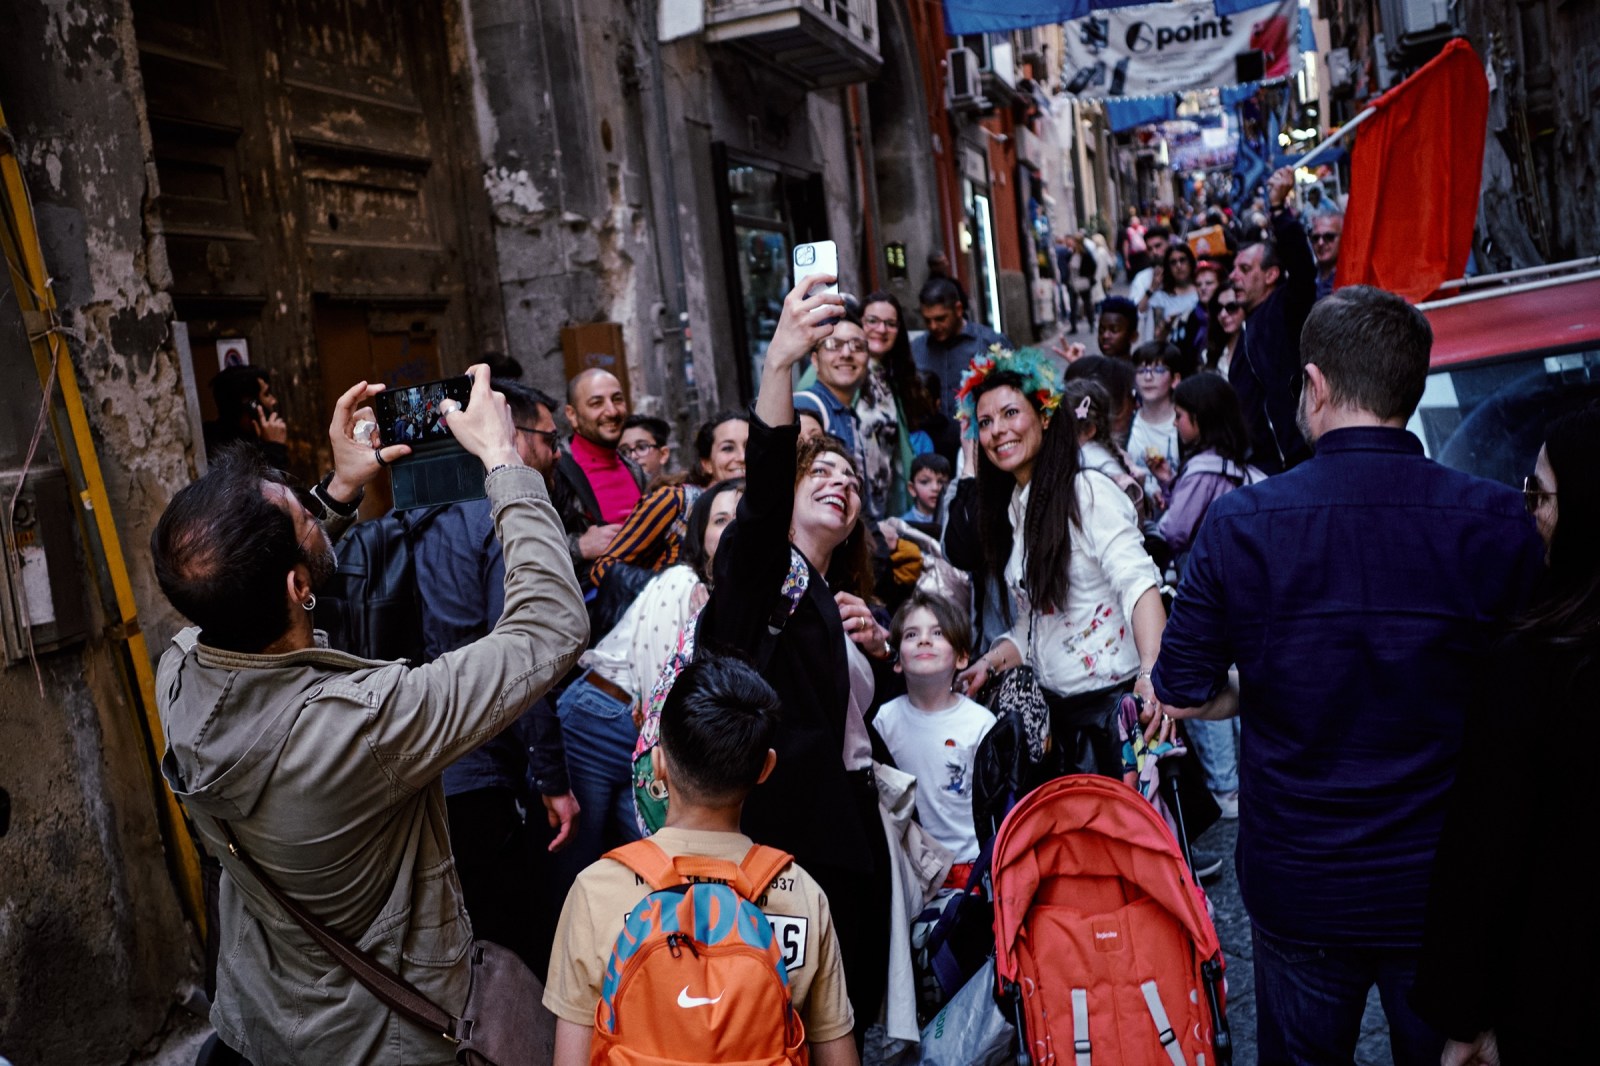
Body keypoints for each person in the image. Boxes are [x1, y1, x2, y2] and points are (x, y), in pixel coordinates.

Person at [1151, 287, 1545, 1066]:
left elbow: (1183, 684)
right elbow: (1525, 699)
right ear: (1411, 385)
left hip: (1304, 881)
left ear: (1316, 385)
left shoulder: (1243, 521)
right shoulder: (1500, 520)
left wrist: (1256, 681)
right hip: (1443, 882)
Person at [152, 369, 588, 1064]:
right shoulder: (366, 725)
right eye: (301, 511)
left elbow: (260, 581)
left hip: (265, 1015)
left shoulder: (177, 674)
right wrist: (503, 461)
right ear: (297, 587)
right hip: (376, 1042)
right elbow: (549, 629)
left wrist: (337, 491)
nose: (309, 503)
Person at [700, 269, 896, 1033]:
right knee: (791, 1024)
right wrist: (780, 363)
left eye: (852, 480)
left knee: (848, 1013)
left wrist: (873, 649)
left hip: (847, 828)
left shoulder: (831, 599)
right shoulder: (758, 574)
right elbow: (767, 476)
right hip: (782, 839)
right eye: (823, 471)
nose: (841, 484)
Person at [545, 655, 859, 1066]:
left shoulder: (596, 890)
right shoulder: (802, 895)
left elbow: (570, 1059)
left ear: (658, 764)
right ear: (765, 768)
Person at [1411, 405, 1600, 1066]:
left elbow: (1487, 851)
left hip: (1559, 1000)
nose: (1530, 510)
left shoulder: (1535, 665)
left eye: (1539, 494)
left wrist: (1464, 1018)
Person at [411, 379, 580, 971]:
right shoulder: (501, 521)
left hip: (416, 762)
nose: (557, 453)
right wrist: (553, 779)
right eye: (545, 437)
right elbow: (526, 656)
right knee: (512, 952)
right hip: (482, 770)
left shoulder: (412, 518)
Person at [952, 351, 1166, 782]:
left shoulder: (1087, 493)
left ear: (1045, 417)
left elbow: (1140, 585)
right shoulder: (1018, 507)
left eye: (1011, 413)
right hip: (1062, 723)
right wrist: (991, 663)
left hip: (1115, 716)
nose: (997, 431)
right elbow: (1037, 629)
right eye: (986, 421)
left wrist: (1151, 676)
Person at [552, 479, 746, 904]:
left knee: (662, 875)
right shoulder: (681, 580)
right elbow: (658, 694)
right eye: (719, 519)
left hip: (649, 743)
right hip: (601, 720)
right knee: (577, 865)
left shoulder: (729, 601)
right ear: (700, 535)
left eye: (741, 515)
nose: (732, 526)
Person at [873, 591, 994, 876]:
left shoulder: (980, 723)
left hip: (969, 869)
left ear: (963, 657)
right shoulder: (884, 721)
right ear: (898, 660)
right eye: (911, 635)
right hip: (907, 867)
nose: (924, 640)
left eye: (938, 633)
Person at [589, 411, 749, 591]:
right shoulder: (674, 501)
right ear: (706, 463)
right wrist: (674, 589)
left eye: (749, 446)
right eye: (728, 448)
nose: (742, 457)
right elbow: (604, 568)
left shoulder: (764, 507)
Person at [1229, 167, 1314, 474]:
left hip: (1294, 464)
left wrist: (1279, 209)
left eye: (1244, 269)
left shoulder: (1285, 308)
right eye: (1234, 269)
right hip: (1261, 468)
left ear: (1271, 275)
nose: (1233, 276)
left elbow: (1303, 271)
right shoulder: (1248, 322)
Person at [555, 368, 645, 588]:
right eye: (597, 403)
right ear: (572, 415)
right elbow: (523, 547)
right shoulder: (554, 469)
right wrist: (580, 546)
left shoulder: (635, 470)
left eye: (617, 400)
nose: (612, 411)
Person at [856, 291, 938, 520]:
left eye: (890, 324)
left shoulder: (891, 379)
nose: (881, 330)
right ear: (858, 323)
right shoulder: (838, 368)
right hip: (847, 503)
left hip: (883, 509)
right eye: (872, 321)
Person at [794, 305, 871, 487]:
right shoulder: (806, 408)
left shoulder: (850, 413)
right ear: (815, 360)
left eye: (857, 346)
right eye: (833, 345)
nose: (846, 354)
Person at [912, 276, 1012, 416]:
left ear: (958, 309)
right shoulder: (916, 349)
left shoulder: (991, 343)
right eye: (927, 321)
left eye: (940, 319)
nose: (933, 326)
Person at [1127, 342, 1196, 490]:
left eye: (1158, 370)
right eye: (1141, 370)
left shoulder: (1186, 425)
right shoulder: (1127, 423)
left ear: (1175, 379)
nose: (1148, 377)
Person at [202, 365, 289, 468]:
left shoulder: (253, 437)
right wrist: (275, 449)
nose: (273, 400)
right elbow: (269, 483)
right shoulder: (222, 453)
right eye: (266, 394)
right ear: (252, 405)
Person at [1148, 242, 1203, 363]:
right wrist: (1168, 324)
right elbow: (1157, 338)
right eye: (1173, 262)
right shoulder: (1161, 297)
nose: (1179, 266)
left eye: (1182, 260)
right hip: (1172, 358)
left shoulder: (1202, 292)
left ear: (1190, 262)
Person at [617, 414, 672, 485]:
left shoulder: (683, 494)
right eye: (624, 452)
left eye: (641, 447)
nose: (633, 456)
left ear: (663, 454)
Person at [1206, 283, 1245, 376]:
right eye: (1218, 308)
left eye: (1231, 307)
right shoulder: (1211, 349)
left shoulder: (1256, 345)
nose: (1223, 314)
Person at [901, 452, 951, 524]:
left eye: (941, 482)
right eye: (925, 482)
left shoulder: (953, 524)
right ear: (912, 489)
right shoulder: (902, 525)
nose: (935, 488)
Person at [1311, 211, 1343, 301]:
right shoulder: (1307, 279)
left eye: (1329, 237)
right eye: (1315, 238)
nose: (1320, 243)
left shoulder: (1351, 279)